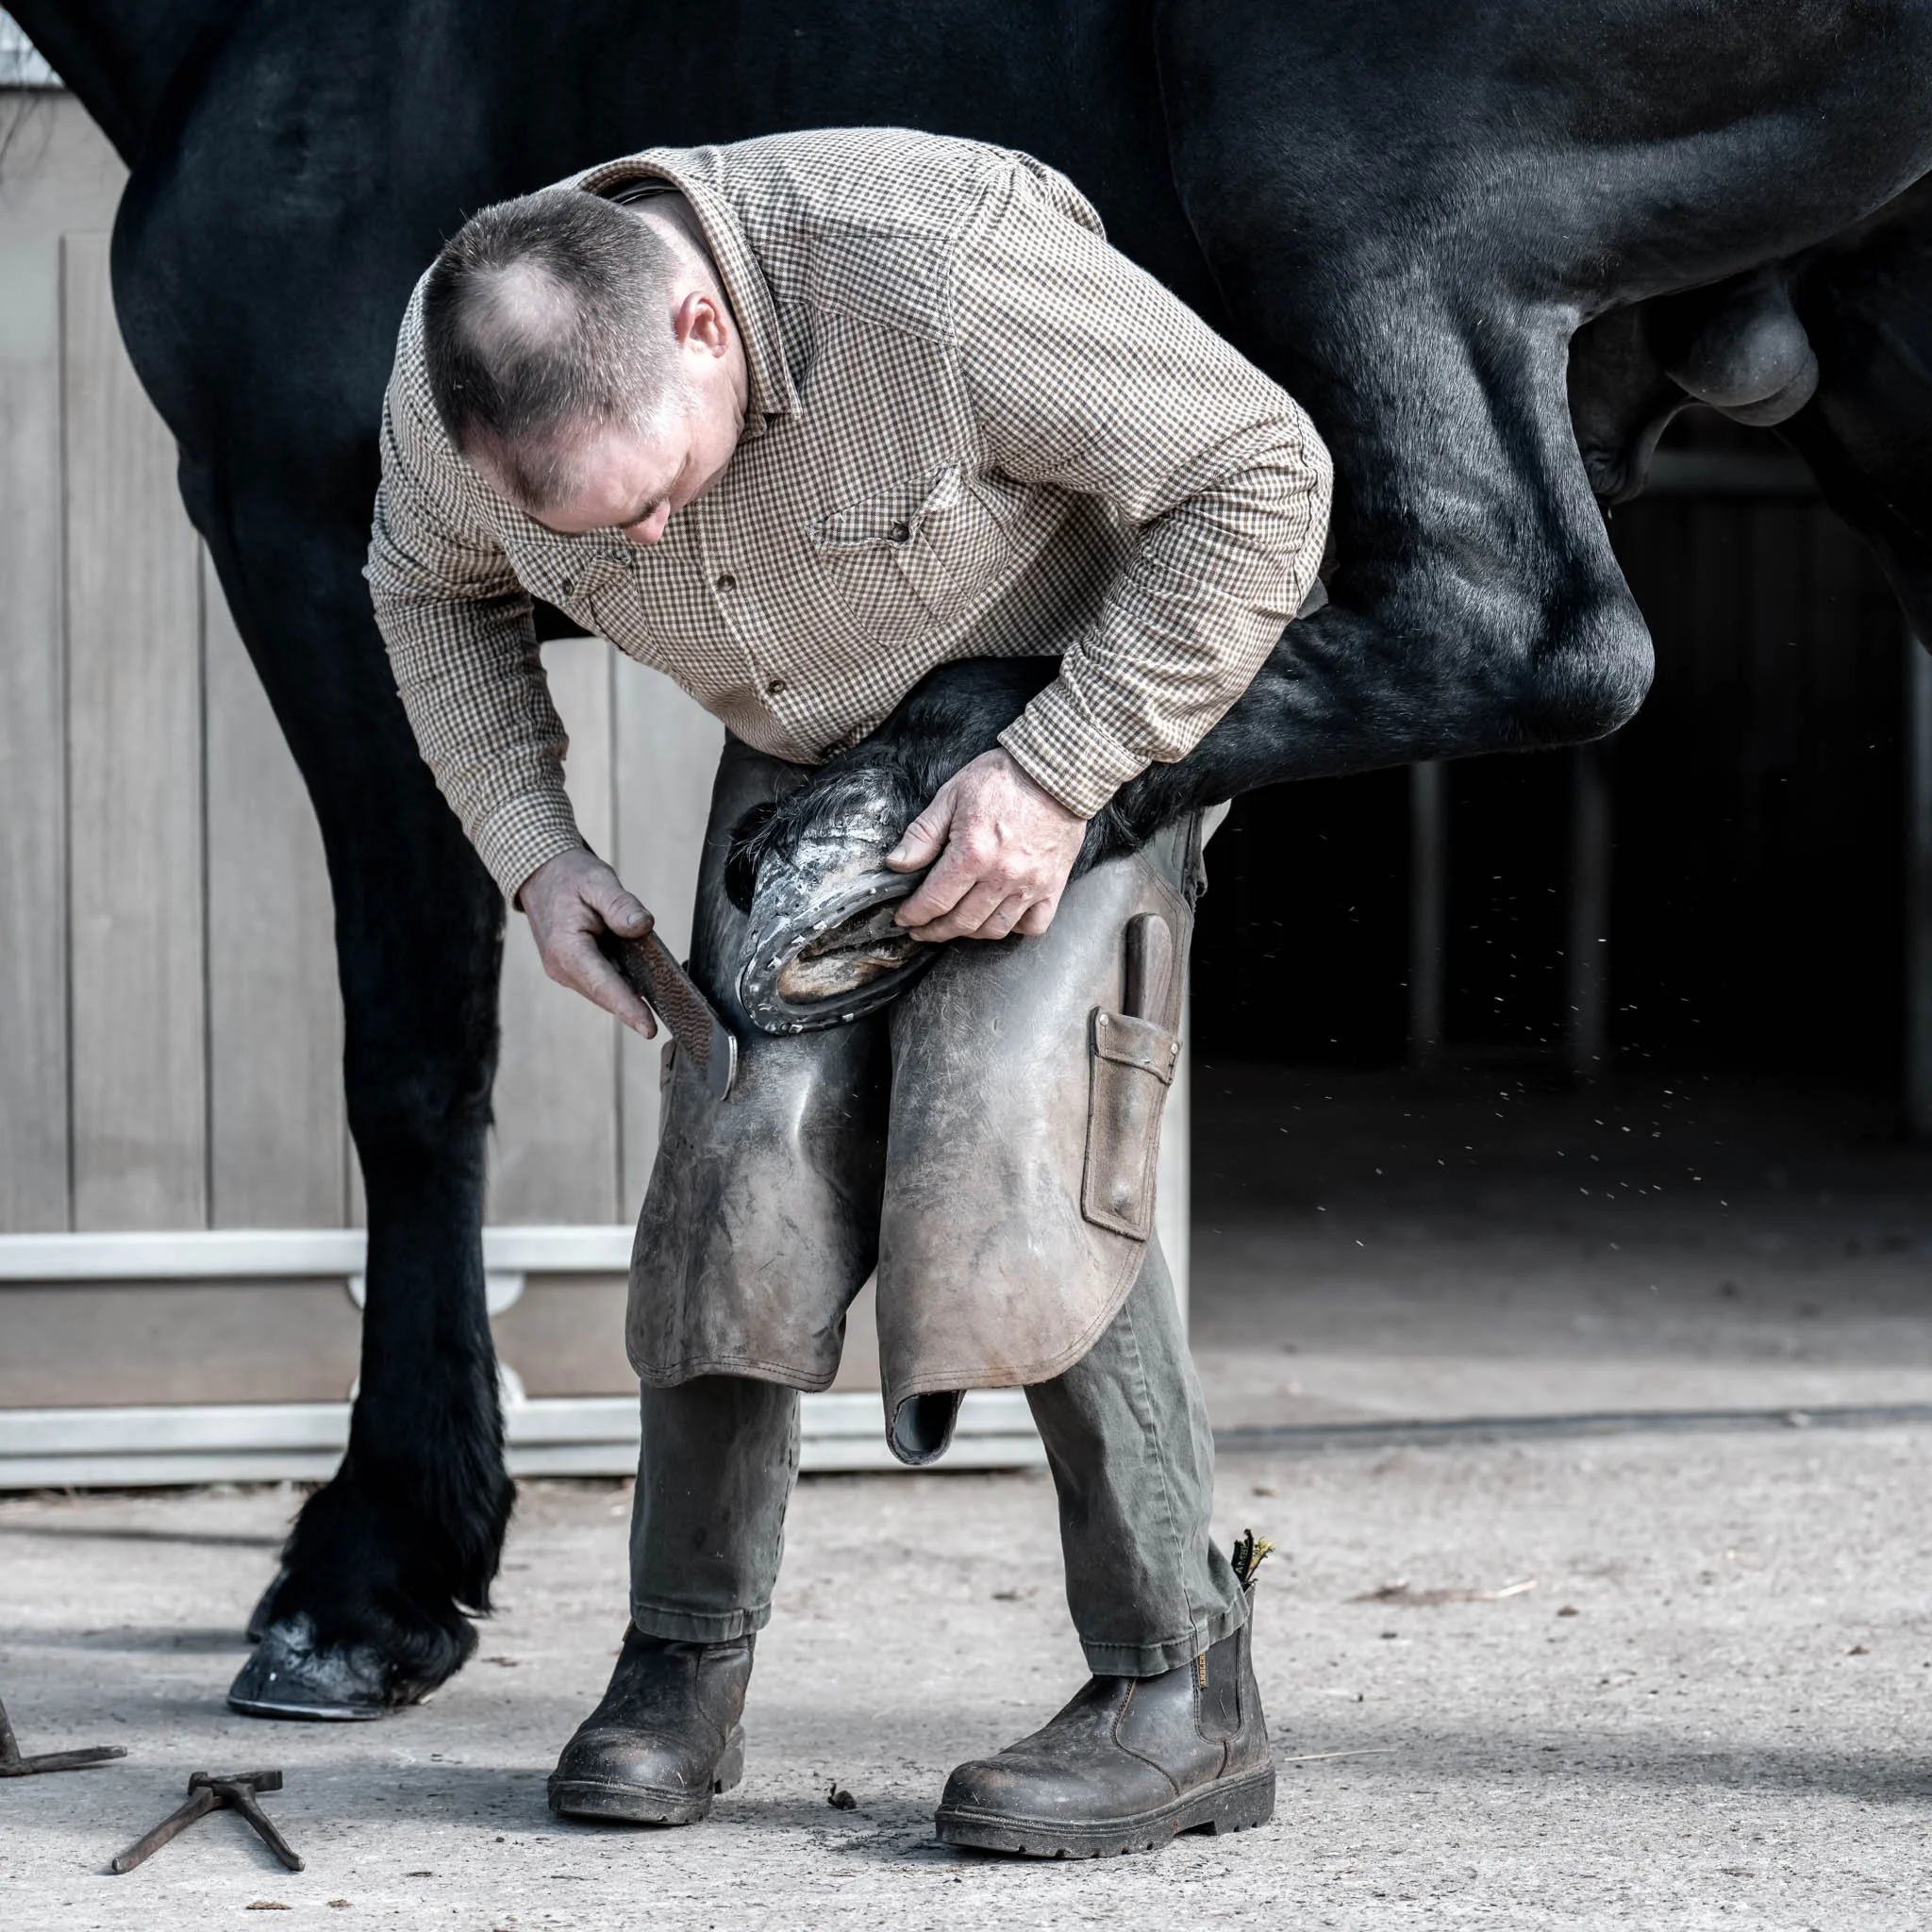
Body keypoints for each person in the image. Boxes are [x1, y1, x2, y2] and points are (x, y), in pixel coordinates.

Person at [368, 125, 1329, 1857]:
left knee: (1004, 1133)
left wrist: (1062, 772)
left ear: (701, 330)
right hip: (809, 733)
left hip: (1067, 692)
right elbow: (427, 594)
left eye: (659, 487)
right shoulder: (469, 381)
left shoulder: (936, 273)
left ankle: (1183, 1681)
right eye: (599, 528)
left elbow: (1263, 473)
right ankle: (680, 1664)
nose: (652, 534)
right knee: (742, 1147)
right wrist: (534, 844)